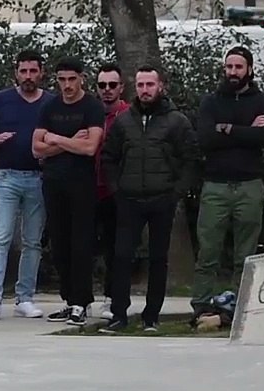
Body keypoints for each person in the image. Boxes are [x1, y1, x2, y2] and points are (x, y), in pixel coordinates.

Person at [98, 65, 199, 333]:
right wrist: (116, 189)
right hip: (128, 200)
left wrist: (176, 192)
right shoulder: (123, 121)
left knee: (158, 258)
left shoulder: (177, 121)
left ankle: (150, 317)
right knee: (121, 257)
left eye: (149, 85)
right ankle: (119, 315)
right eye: (140, 85)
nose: (144, 90)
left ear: (161, 86)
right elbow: (108, 158)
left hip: (161, 199)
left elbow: (190, 159)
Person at [191, 46, 264, 312]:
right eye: (229, 67)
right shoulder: (211, 102)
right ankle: (202, 305)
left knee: (246, 254)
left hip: (249, 186)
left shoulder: (261, 101)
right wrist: (246, 130)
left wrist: (226, 129)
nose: (233, 72)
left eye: (238, 67)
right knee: (208, 252)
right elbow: (205, 139)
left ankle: (242, 306)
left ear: (249, 69)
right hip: (215, 186)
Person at [0, 49, 54, 321]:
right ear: (15, 73)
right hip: (6, 177)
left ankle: (25, 297)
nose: (28, 76)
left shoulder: (51, 103)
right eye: (23, 71)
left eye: (33, 71)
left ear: (41, 72)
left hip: (37, 178)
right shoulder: (1, 100)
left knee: (32, 241)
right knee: (1, 237)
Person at [32, 57, 106, 326]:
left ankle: (81, 301)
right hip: (53, 182)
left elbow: (89, 148)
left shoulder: (92, 107)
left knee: (81, 244)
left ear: (81, 78)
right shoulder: (49, 107)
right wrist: (70, 142)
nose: (67, 85)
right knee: (60, 244)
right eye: (62, 79)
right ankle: (68, 299)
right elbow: (36, 148)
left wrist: (56, 139)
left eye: (71, 79)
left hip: (82, 184)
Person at [93, 62, 130, 320]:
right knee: (82, 247)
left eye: (112, 85)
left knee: (115, 248)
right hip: (88, 188)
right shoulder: (89, 112)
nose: (107, 90)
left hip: (117, 190)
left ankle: (113, 298)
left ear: (121, 88)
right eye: (102, 85)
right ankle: (78, 300)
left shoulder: (129, 115)